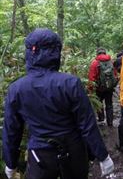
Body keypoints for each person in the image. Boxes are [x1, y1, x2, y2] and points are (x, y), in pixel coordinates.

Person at [2, 29, 114, 179]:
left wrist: (10, 164)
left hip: (40, 157)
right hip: (75, 154)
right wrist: (103, 157)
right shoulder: (70, 83)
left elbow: (12, 131)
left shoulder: (16, 89)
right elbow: (87, 125)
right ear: (56, 52)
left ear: (30, 53)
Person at [88, 47, 116, 126]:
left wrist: (90, 89)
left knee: (99, 103)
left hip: (99, 88)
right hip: (109, 87)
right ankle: (110, 122)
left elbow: (91, 77)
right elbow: (114, 75)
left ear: (97, 53)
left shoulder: (95, 63)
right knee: (109, 104)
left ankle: (101, 120)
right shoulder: (111, 62)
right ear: (105, 53)